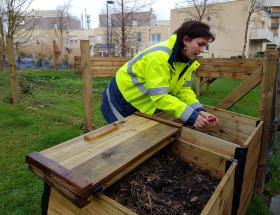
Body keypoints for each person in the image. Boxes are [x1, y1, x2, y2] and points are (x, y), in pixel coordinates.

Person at [101, 20, 218, 128]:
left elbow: (184, 90)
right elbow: (160, 97)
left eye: (205, 46)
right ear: (186, 40)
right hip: (120, 99)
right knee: (123, 139)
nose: (202, 50)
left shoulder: (187, 61)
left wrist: (199, 111)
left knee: (136, 138)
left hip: (140, 102)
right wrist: (191, 116)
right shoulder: (159, 57)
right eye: (200, 44)